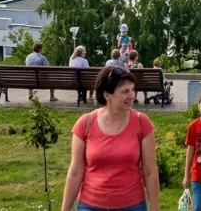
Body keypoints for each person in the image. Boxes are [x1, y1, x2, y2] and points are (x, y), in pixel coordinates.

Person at [61, 66, 160, 211]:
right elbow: (75, 171)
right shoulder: (85, 123)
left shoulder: (141, 123)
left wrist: (155, 208)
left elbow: (150, 171)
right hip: (90, 205)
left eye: (132, 89)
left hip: (132, 205)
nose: (132, 95)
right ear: (107, 95)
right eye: (125, 91)